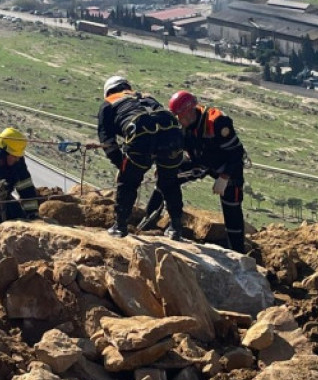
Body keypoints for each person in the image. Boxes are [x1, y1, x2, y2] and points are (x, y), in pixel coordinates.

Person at [95, 75, 186, 239]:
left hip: (141, 133)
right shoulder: (146, 96)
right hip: (172, 134)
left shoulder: (108, 104)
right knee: (169, 181)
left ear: (108, 91)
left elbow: (107, 140)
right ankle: (176, 227)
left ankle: (120, 225)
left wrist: (120, 163)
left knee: (128, 182)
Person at [167, 90, 247, 252]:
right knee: (167, 177)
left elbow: (237, 154)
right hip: (200, 161)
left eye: (180, 116)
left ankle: (238, 251)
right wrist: (167, 165)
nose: (178, 120)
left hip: (227, 165)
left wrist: (224, 177)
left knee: (231, 207)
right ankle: (173, 224)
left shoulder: (217, 122)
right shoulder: (182, 126)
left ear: (189, 113)